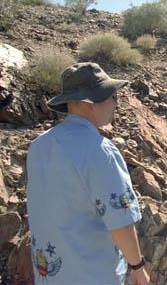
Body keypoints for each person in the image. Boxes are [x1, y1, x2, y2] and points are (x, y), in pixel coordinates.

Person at [26, 62, 150, 285]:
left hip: (50, 276)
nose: (116, 103)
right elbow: (119, 220)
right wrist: (137, 266)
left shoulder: (38, 145)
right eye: (113, 96)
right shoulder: (99, 150)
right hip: (93, 274)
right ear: (93, 101)